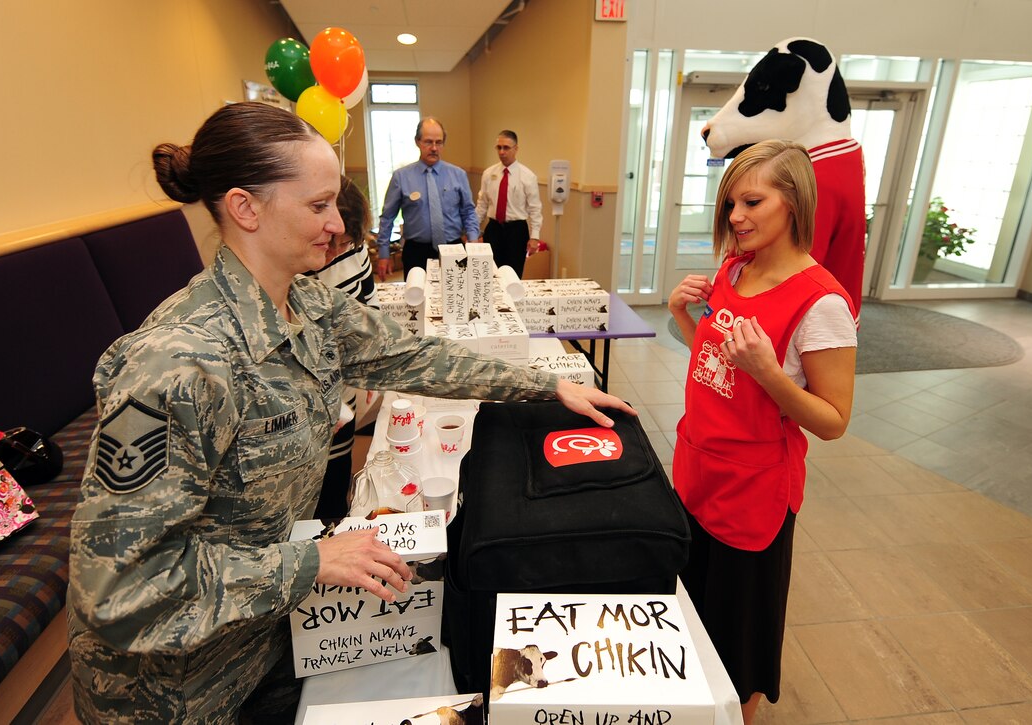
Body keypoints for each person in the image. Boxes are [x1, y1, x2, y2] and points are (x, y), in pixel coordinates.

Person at [66, 101, 634, 723]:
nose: (338, 224)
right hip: (175, 694)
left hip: (267, 641)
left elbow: (416, 357)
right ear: (245, 207)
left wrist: (546, 387)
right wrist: (312, 561)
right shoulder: (177, 364)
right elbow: (118, 590)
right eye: (317, 206)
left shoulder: (307, 305)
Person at [667, 140, 857, 724]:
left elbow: (833, 421)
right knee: (695, 617)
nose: (735, 217)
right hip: (698, 474)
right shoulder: (735, 268)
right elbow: (716, 362)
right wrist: (680, 315)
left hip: (753, 497)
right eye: (730, 203)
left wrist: (771, 374)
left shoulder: (820, 302)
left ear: (794, 202)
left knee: (738, 643)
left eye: (751, 201)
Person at [306, 175, 377, 521]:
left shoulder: (354, 248)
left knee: (336, 481)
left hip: (343, 396)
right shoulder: (297, 257)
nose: (332, 253)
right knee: (308, 495)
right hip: (306, 402)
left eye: (344, 245)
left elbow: (369, 307)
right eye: (331, 241)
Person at [374, 117, 479, 281]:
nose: (434, 148)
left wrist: (473, 240)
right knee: (417, 301)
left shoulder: (458, 175)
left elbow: (468, 211)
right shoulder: (401, 177)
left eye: (439, 142)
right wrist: (384, 253)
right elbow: (387, 217)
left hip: (453, 249)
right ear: (417, 142)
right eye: (428, 142)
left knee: (455, 301)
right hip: (416, 251)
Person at [475, 130, 543, 277]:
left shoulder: (527, 176)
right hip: (493, 229)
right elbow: (482, 204)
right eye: (499, 147)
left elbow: (535, 209)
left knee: (513, 275)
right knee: (491, 274)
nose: (502, 152)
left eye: (506, 148)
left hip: (516, 231)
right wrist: (473, 230)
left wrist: (534, 237)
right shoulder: (489, 174)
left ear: (516, 149)